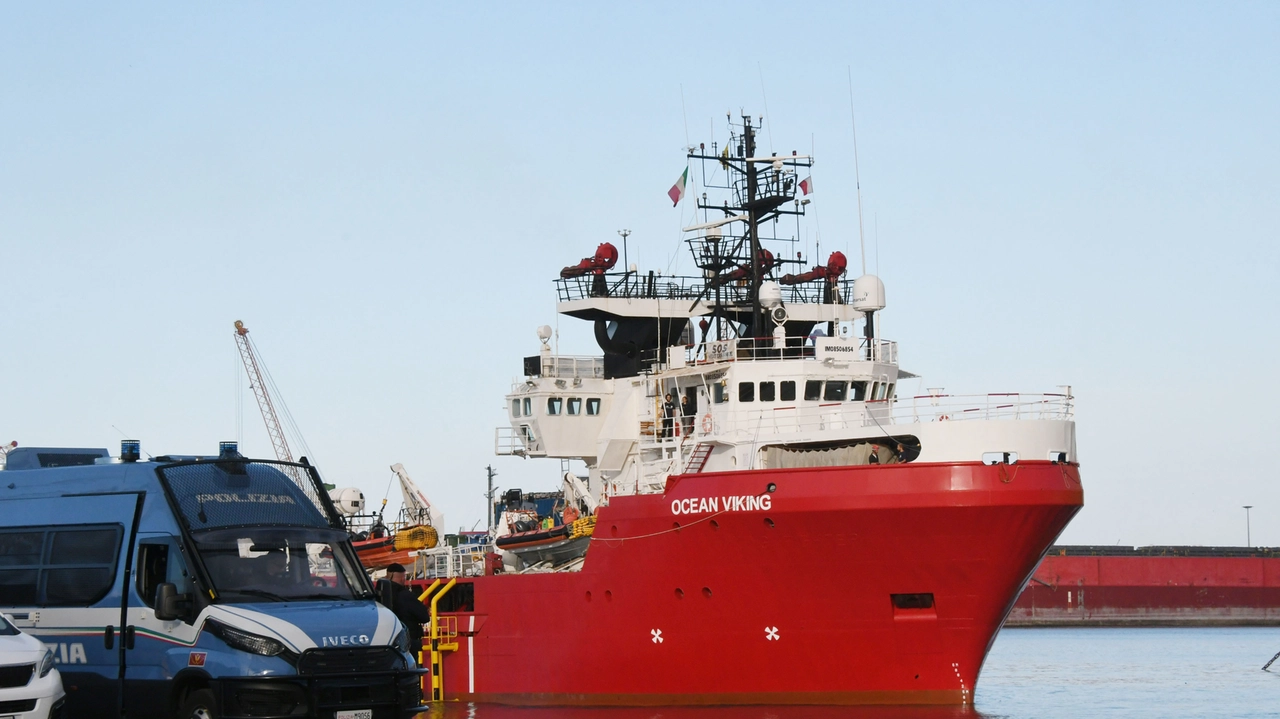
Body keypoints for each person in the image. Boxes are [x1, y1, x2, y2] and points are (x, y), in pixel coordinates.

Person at [377, 563, 434, 658]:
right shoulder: (406, 596)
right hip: (407, 642)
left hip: (385, 642)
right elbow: (424, 617)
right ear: (402, 578)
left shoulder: (379, 595)